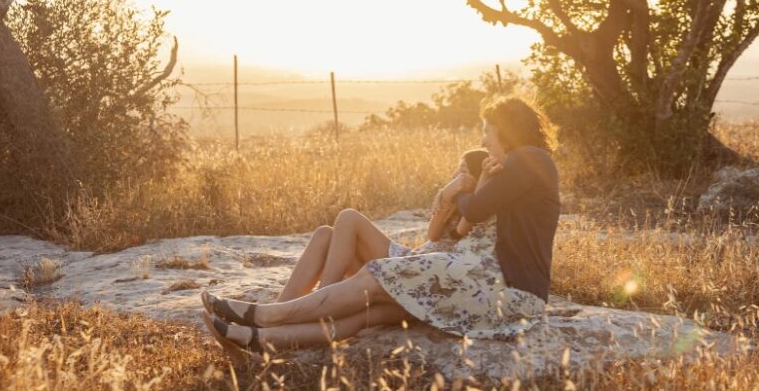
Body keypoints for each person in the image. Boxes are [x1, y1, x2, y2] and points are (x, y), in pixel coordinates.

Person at [200, 96, 560, 363]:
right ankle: (261, 342)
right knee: (363, 315)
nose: (483, 139)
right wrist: (465, 192)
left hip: (510, 293)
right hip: (489, 284)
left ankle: (268, 316)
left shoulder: (532, 158)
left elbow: (477, 210)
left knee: (373, 276)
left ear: (506, 128)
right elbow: (467, 217)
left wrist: (463, 191)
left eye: (487, 130)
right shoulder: (517, 166)